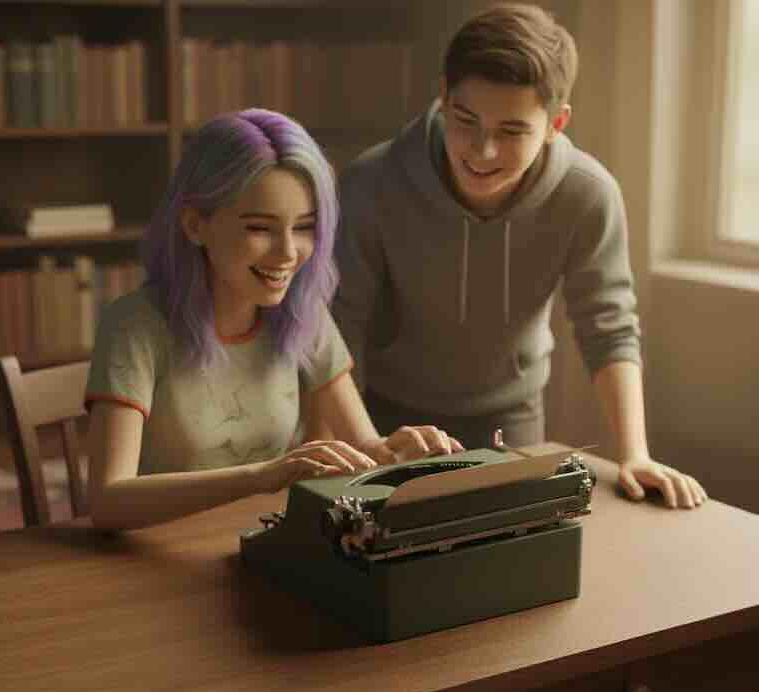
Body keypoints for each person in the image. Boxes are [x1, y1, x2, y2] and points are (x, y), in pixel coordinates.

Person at [332, 1, 707, 510]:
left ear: (556, 122)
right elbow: (338, 330)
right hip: (385, 422)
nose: (481, 152)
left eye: (511, 131)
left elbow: (609, 325)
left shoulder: (587, 195)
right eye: (465, 120)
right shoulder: (369, 184)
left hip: (513, 424)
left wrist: (634, 453)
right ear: (443, 96)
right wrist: (361, 447)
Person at [85, 110, 462, 530]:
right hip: (156, 557)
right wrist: (262, 477)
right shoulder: (134, 326)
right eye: (261, 228)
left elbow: (365, 447)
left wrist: (400, 451)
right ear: (195, 224)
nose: (287, 253)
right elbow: (107, 501)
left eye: (304, 228)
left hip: (259, 542)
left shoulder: (305, 313)